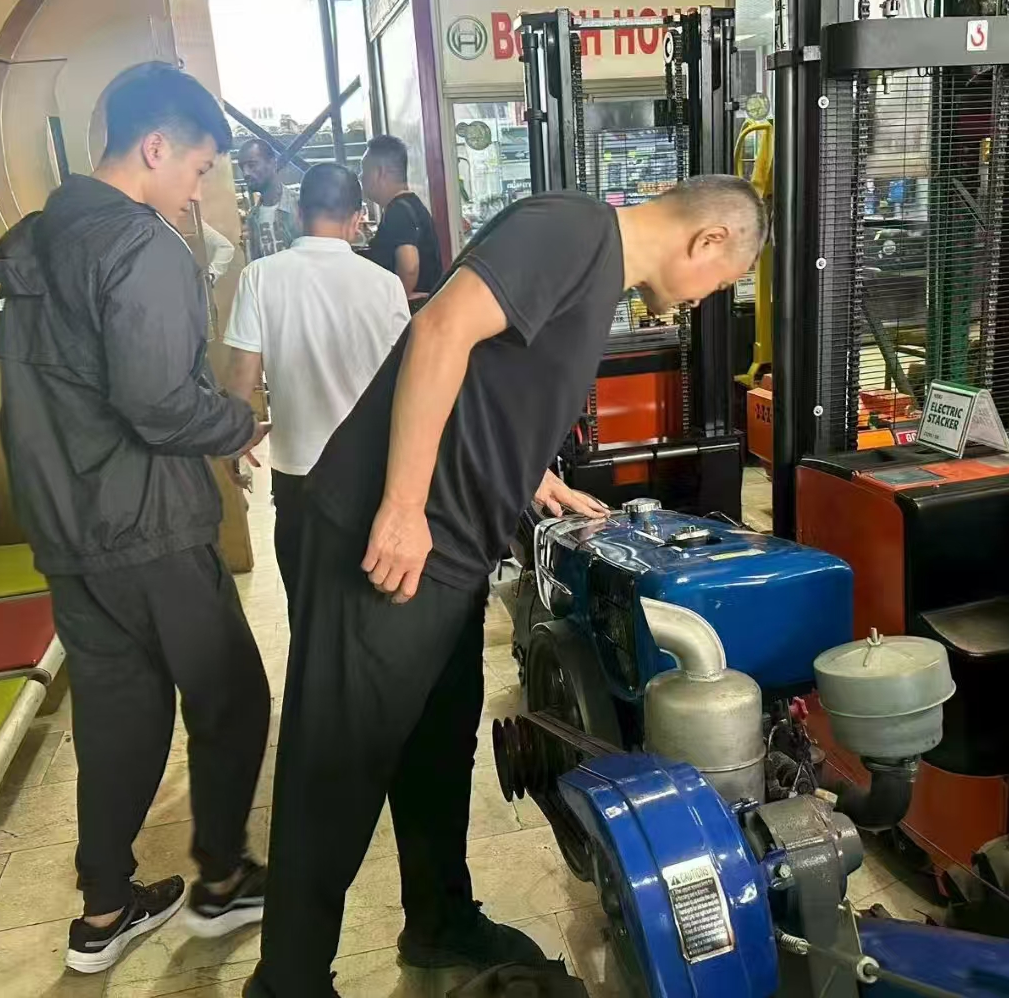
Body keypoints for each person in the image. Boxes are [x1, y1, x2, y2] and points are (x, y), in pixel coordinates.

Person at [247, 175, 767, 998]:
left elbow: (493, 382)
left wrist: (530, 474)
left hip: (451, 548)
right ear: (708, 242)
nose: (707, 299)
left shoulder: (596, 272)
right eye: (722, 281)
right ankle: (287, 983)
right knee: (337, 765)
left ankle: (439, 922)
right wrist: (402, 506)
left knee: (436, 744)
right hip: (390, 540)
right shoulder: (573, 229)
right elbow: (440, 329)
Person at [0, 62, 273, 975]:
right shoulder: (140, 244)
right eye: (198, 170)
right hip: (146, 523)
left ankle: (104, 909)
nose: (197, 192)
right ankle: (221, 881)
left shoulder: (34, 242)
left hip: (66, 527)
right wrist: (239, 424)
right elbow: (157, 404)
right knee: (232, 696)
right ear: (155, 147)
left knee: (120, 713)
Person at [223, 163, 410, 623]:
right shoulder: (385, 285)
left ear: (299, 213)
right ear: (356, 218)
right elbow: (407, 383)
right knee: (371, 610)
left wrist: (231, 440)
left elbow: (242, 374)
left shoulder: (260, 277)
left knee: (308, 610)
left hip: (298, 476)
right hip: (370, 473)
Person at [360, 134, 442, 298]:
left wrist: (399, 301)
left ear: (379, 172)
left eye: (364, 170)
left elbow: (410, 267)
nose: (361, 177)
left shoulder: (398, 211)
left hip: (411, 310)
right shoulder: (411, 204)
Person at [238, 138, 302, 260]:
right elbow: (256, 264)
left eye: (252, 165)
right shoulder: (253, 218)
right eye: (242, 167)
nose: (246, 173)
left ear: (272, 163)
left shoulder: (300, 205)